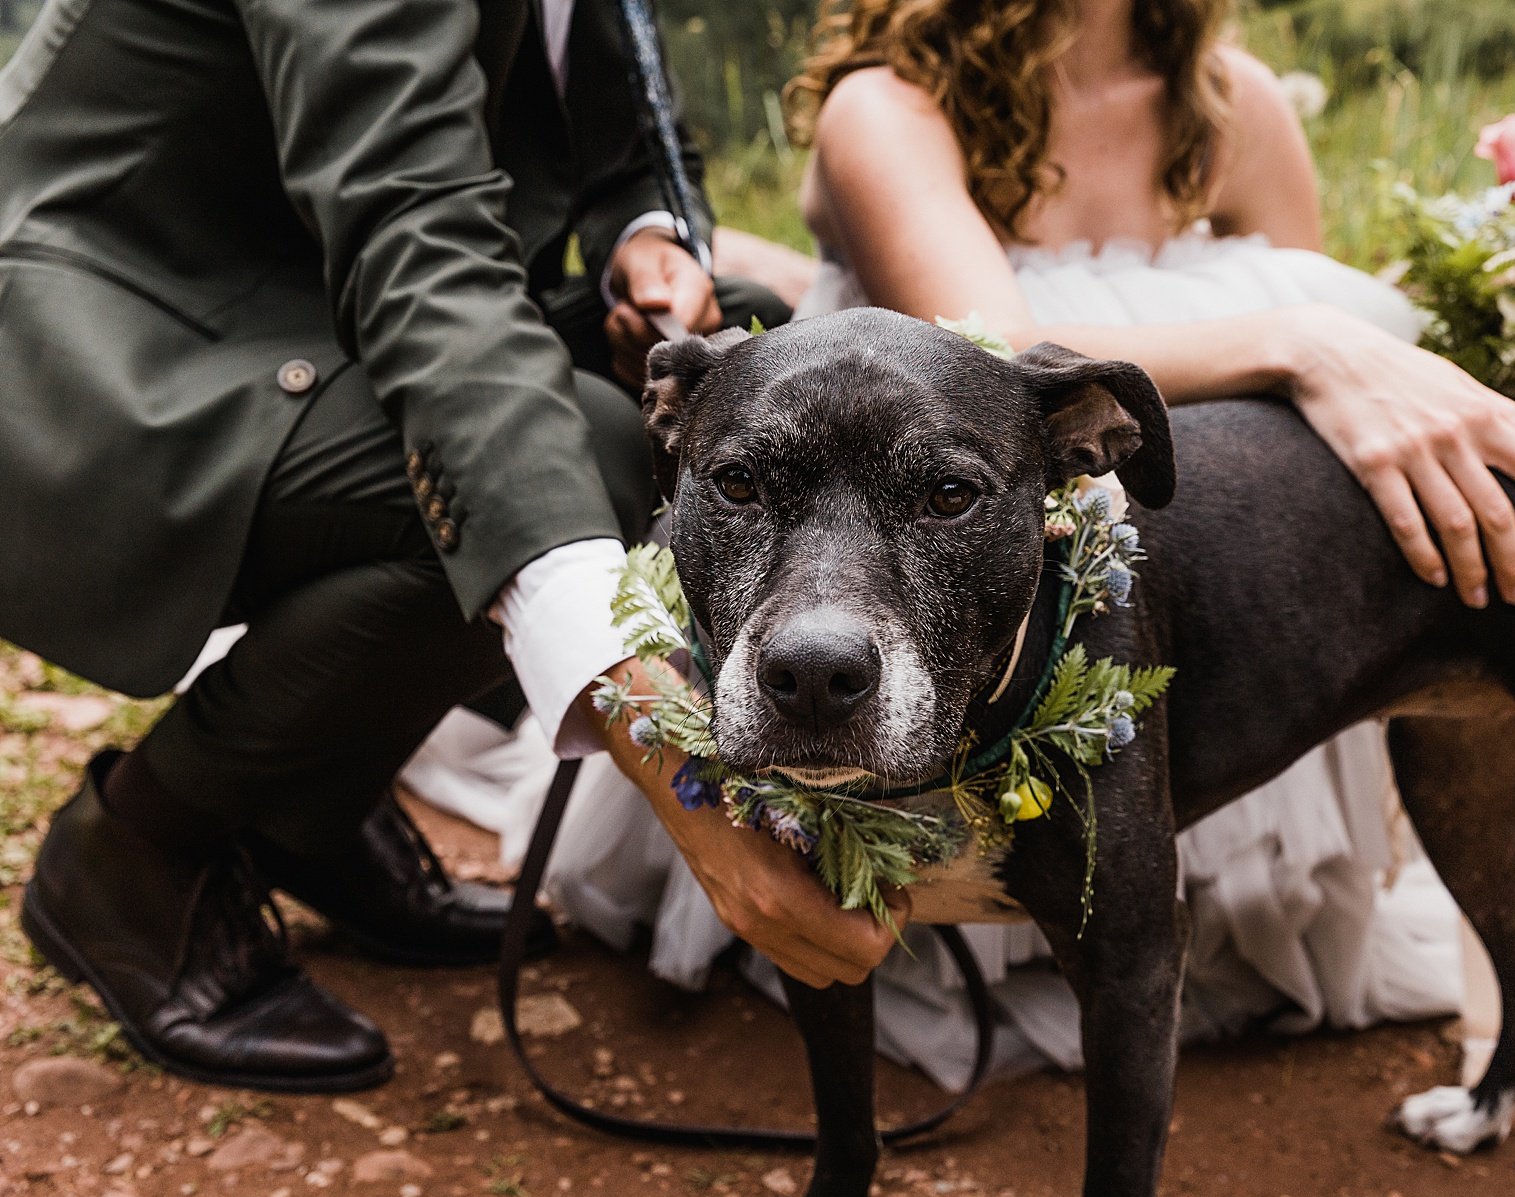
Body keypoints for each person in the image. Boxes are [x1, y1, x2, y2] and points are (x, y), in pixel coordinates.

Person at [479, 0, 1515, 1086]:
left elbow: (1283, 417)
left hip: (1132, 563)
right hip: (894, 526)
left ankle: (1172, 911)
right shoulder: (888, 104)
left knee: (1160, 844)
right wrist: (1309, 339)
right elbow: (1000, 348)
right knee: (839, 850)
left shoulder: (1238, 100)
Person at [0, 0, 897, 1093]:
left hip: (309, 316)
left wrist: (646, 239)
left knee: (745, 357)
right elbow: (410, 228)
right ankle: (136, 856)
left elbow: (624, 127)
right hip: (93, 346)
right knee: (595, 453)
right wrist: (669, 759)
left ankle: (304, 811)